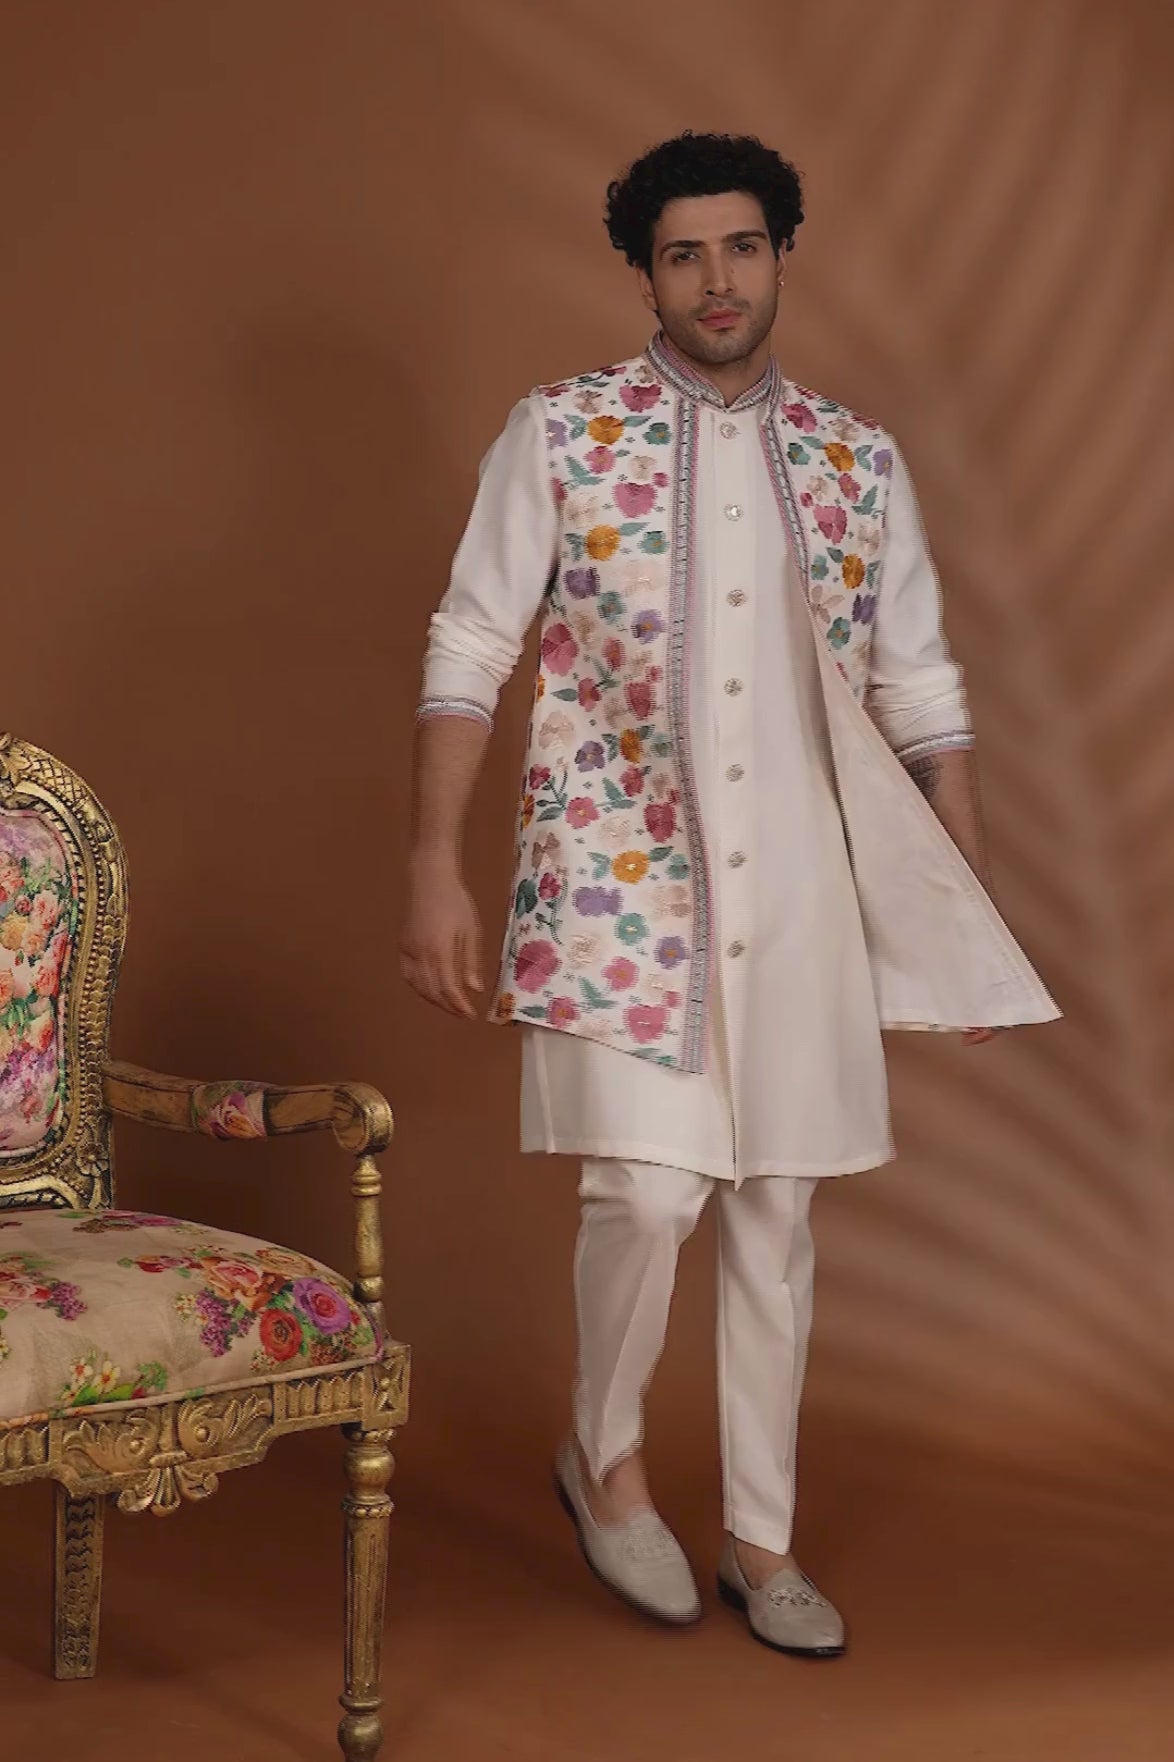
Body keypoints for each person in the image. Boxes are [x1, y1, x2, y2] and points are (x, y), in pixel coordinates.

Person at [401, 131, 1061, 1657]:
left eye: (742, 246)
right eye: (684, 252)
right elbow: (468, 643)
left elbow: (920, 687)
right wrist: (432, 862)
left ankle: (762, 1534)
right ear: (644, 273)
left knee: (775, 1211)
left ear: (779, 257)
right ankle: (604, 1455)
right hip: (614, 876)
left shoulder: (853, 458)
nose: (716, 279)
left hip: (805, 893)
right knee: (644, 1191)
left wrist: (959, 909)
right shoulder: (560, 433)